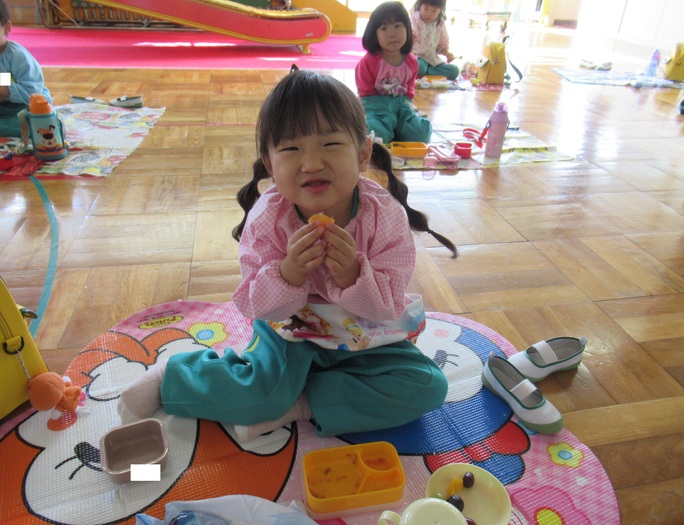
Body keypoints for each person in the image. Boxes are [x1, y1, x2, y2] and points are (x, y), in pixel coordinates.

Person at [117, 68, 457, 442]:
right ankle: (177, 375)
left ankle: (301, 403)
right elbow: (254, 305)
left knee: (427, 386)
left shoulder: (384, 215)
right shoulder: (269, 217)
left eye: (330, 144)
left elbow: (389, 304)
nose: (311, 163)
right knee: (259, 393)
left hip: (364, 333)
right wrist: (288, 273)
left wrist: (352, 275)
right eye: (292, 149)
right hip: (291, 329)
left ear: (362, 153)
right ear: (269, 163)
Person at [355, 1, 432, 145]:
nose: (392, 34)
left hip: (401, 105)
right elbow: (365, 93)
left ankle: (397, 125)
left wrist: (402, 109)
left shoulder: (411, 61)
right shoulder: (369, 61)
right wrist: (385, 108)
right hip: (376, 105)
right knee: (376, 133)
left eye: (397, 26)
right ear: (374, 35)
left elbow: (409, 91)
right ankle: (387, 126)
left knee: (420, 134)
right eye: (384, 28)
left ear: (407, 29)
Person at [0, 0, 52, 137]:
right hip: (4, 107)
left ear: (6, 28)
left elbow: (32, 91)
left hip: (27, 105)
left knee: (29, 124)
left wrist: (3, 89)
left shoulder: (16, 55)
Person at [410, 0, 460, 81]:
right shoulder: (414, 19)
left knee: (454, 71)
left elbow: (442, 44)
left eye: (434, 11)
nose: (429, 14)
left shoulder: (440, 23)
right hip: (418, 57)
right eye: (426, 9)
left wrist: (447, 54)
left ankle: (426, 72)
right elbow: (410, 37)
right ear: (419, 5)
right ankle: (425, 72)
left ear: (440, 11)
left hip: (432, 60)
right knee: (420, 67)